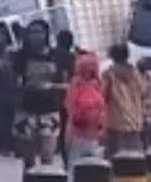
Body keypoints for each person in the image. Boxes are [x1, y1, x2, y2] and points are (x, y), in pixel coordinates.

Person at [12, 19, 63, 171]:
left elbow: (68, 83)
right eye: (32, 32)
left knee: (47, 154)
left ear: (46, 34)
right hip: (26, 110)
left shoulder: (57, 56)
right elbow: (13, 82)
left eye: (39, 32)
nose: (36, 36)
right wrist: (24, 86)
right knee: (28, 158)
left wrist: (52, 86)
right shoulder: (20, 57)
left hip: (50, 110)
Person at [102, 43, 146, 156]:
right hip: (134, 121)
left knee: (113, 156)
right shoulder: (136, 73)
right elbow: (143, 91)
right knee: (133, 157)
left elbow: (103, 95)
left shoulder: (108, 74)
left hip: (114, 122)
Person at [65, 51, 105, 164]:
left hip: (94, 134)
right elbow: (71, 109)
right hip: (78, 134)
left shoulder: (97, 84)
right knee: (76, 164)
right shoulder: (76, 84)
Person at [54, 29, 77, 166]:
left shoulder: (53, 55)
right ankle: (67, 160)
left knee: (61, 130)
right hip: (70, 98)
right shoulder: (73, 58)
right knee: (67, 131)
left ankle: (63, 154)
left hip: (54, 97)